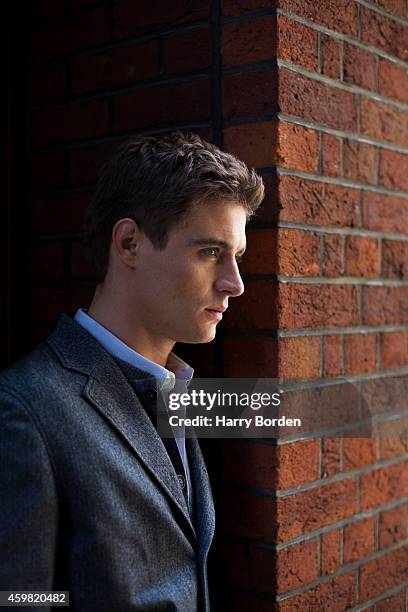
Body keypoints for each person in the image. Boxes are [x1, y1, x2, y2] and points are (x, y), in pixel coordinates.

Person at [0, 132, 264, 611]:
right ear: (129, 243)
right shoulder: (24, 407)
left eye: (236, 257)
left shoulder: (178, 388)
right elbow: (20, 599)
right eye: (209, 252)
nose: (235, 283)